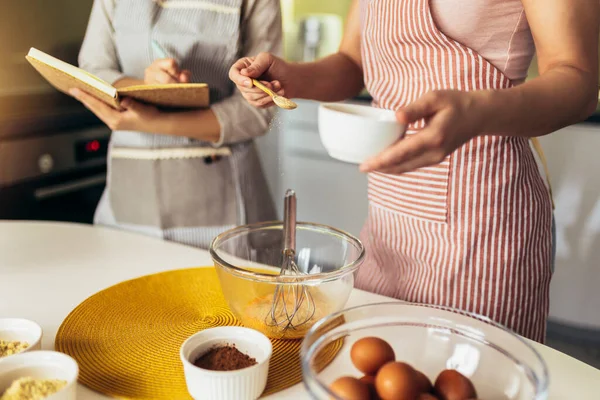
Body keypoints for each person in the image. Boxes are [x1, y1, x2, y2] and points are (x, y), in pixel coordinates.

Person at [229, 0, 599, 341]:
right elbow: (353, 63)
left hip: (484, 224)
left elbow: (579, 81)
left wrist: (477, 111)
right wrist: (289, 77)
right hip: (389, 226)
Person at [70, 0, 281, 249]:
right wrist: (143, 89)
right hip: (131, 199)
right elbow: (94, 69)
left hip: (225, 210)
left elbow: (256, 111)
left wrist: (156, 121)